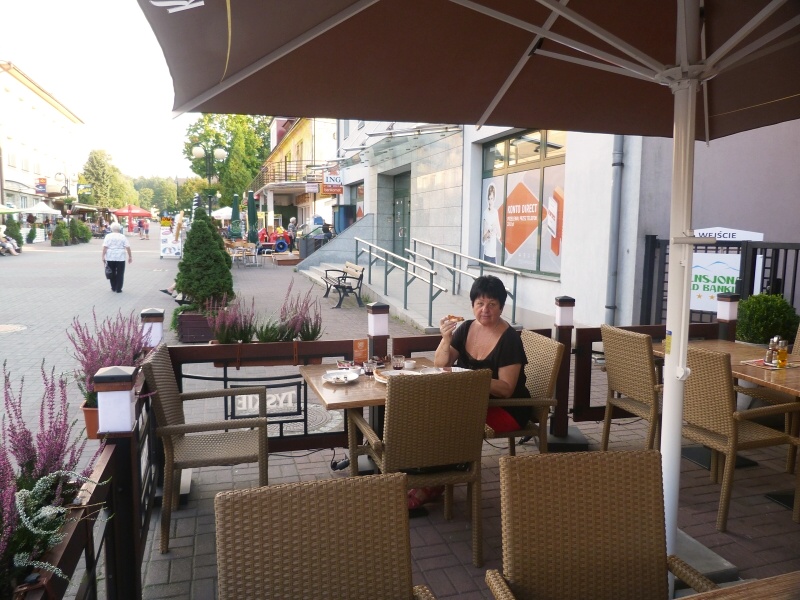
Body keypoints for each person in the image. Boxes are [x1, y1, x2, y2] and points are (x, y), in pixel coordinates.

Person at [407, 275, 529, 510]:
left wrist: (471, 379)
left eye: (492, 304)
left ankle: (438, 480)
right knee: (429, 413)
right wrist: (446, 338)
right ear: (473, 305)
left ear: (501, 307)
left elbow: (506, 389)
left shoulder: (509, 340)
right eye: (480, 303)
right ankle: (427, 473)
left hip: (507, 409)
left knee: (449, 421)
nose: (485, 310)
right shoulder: (466, 328)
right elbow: (440, 364)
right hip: (471, 403)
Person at [102, 222, 132, 293]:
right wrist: (130, 256)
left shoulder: (108, 236)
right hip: (120, 257)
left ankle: (113, 287)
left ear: (111, 229)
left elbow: (105, 247)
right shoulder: (122, 236)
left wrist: (103, 256)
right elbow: (127, 247)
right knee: (120, 273)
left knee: (111, 272)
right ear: (119, 229)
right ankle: (119, 288)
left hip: (110, 256)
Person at [481, 183, 501, 264]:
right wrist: (488, 233)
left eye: (492, 198)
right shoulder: (485, 213)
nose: (490, 201)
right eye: (489, 199)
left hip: (493, 254)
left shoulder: (496, 213)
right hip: (487, 254)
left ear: (494, 199)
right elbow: (483, 239)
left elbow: (499, 235)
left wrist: (495, 228)